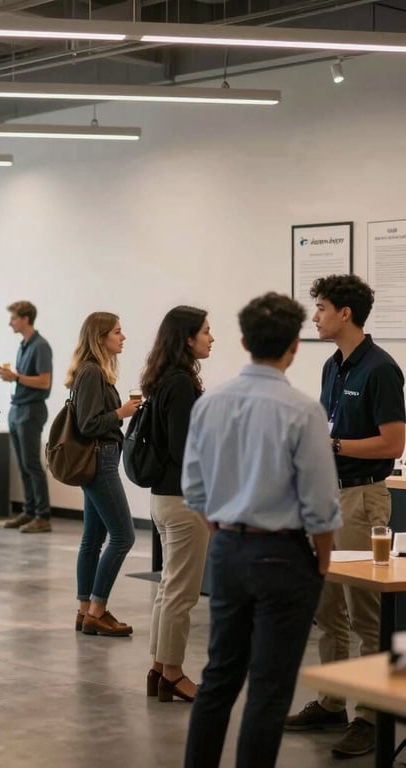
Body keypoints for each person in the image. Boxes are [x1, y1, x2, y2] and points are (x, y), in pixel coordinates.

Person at [181, 292, 341, 768]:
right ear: (295, 344)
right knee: (270, 689)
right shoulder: (302, 409)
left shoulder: (211, 403)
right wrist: (323, 564)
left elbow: (194, 487)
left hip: (228, 549)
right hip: (285, 556)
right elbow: (320, 503)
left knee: (218, 678)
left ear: (246, 340)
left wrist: (228, 533)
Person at [285, 274, 406, 757]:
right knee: (327, 606)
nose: (314, 317)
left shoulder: (381, 369)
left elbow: (394, 443)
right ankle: (332, 701)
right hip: (325, 497)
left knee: (366, 613)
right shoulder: (333, 367)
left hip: (362, 499)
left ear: (345, 314)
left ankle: (373, 716)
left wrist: (330, 443)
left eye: (319, 308)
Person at [140, 306, 213, 702]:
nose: (211, 337)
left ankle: (157, 669)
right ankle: (172, 673)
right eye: (205, 331)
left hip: (163, 499)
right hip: (183, 501)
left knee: (170, 588)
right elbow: (185, 447)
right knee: (182, 593)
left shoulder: (162, 378)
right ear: (187, 338)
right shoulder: (181, 383)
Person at [65, 312, 138, 637]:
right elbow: (89, 423)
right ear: (100, 338)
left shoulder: (92, 371)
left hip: (99, 459)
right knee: (124, 535)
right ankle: (97, 609)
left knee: (93, 538)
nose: (123, 337)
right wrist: (121, 413)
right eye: (117, 332)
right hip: (101, 460)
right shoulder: (93, 372)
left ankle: (85, 611)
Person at [0, 300, 53, 533]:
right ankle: (30, 511)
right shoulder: (24, 344)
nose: (10, 322)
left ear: (25, 319)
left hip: (31, 409)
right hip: (18, 408)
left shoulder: (40, 346)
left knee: (32, 464)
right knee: (22, 464)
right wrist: (14, 377)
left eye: (13, 318)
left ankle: (43, 515)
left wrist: (16, 377)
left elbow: (44, 381)